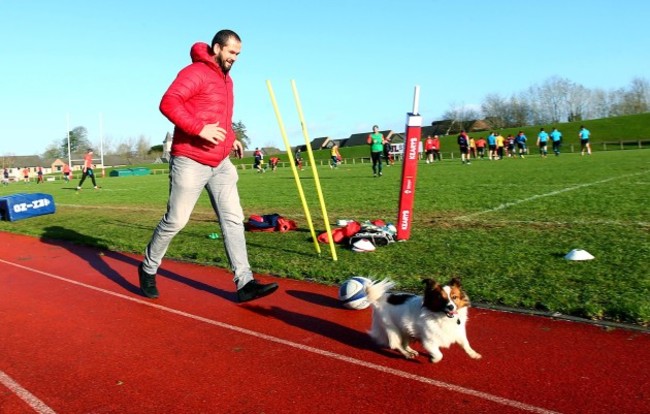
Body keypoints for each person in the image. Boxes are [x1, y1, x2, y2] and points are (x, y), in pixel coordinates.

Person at [139, 29, 278, 303]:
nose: (235, 58)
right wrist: (199, 129)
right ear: (217, 48)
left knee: (234, 220)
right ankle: (148, 267)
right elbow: (168, 103)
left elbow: (219, 115)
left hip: (221, 163)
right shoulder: (195, 72)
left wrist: (232, 138)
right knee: (176, 220)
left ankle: (245, 282)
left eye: (238, 54)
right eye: (231, 52)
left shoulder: (227, 80)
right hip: (190, 160)